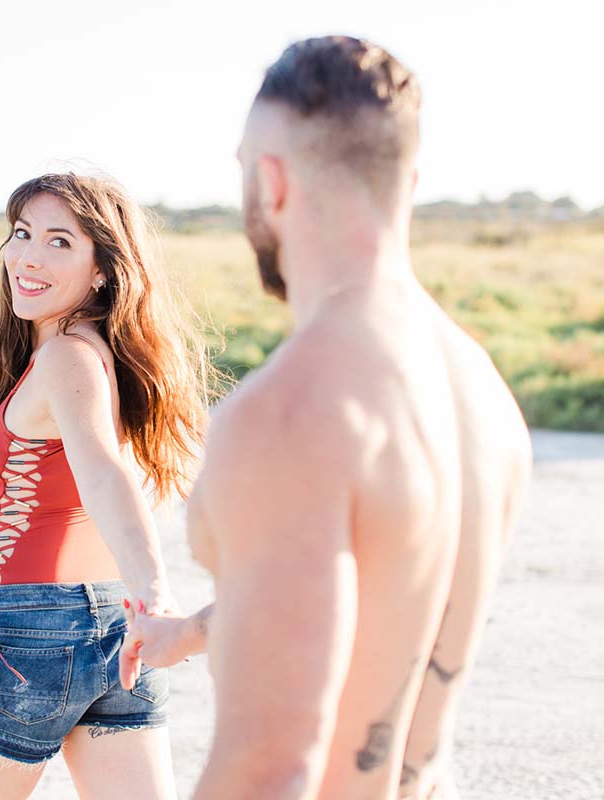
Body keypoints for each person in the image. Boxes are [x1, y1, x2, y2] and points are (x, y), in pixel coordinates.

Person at [119, 36, 532, 799]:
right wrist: (189, 634)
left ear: (270, 183)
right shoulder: (480, 387)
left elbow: (270, 769)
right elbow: (379, 587)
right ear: (407, 178)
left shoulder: (289, 413)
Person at [0, 171, 212, 800]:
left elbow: (108, 479)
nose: (28, 256)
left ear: (103, 270)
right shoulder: (90, 354)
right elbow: (19, 515)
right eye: (22, 233)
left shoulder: (65, 359)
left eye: (60, 242)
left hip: (23, 635)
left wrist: (158, 596)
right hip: (114, 623)